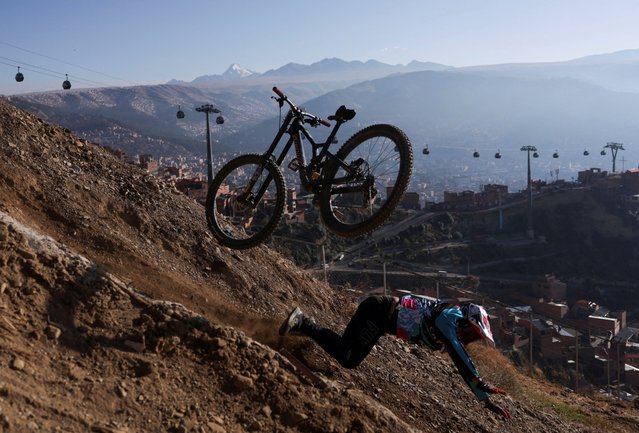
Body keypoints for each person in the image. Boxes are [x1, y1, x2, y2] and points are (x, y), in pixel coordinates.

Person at [279, 294, 511, 419]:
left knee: (346, 351)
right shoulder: (449, 318)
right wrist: (480, 381)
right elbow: (460, 354)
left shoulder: (450, 329)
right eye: (472, 331)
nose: (471, 338)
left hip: (380, 316)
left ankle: (301, 325)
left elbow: (461, 364)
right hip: (380, 312)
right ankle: (302, 323)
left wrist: (484, 399)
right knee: (348, 357)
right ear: (466, 320)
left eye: (475, 336)